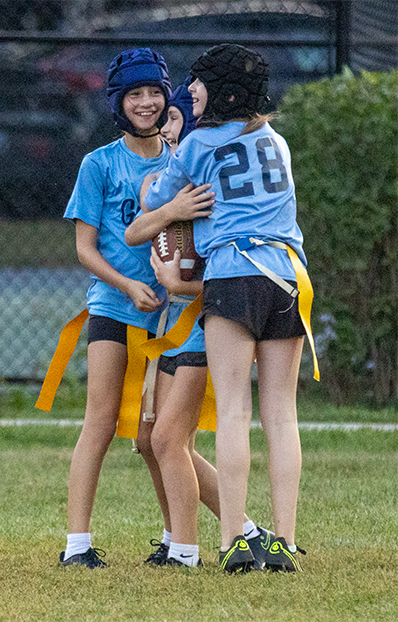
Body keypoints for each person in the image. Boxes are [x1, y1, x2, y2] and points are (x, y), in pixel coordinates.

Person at [144, 44, 316, 573]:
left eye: (196, 82)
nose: (187, 92)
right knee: (282, 414)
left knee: (236, 412)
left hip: (235, 274)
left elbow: (157, 202)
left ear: (220, 91)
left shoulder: (196, 144)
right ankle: (284, 542)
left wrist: (162, 186)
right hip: (287, 274)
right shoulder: (277, 141)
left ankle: (235, 542)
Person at [125, 80, 275, 569]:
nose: (165, 123)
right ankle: (246, 530)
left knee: (169, 439)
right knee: (154, 441)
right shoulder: (171, 185)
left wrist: (179, 282)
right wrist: (170, 210)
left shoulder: (208, 183)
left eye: (173, 118)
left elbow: (225, 281)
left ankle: (185, 549)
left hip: (203, 323)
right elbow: (134, 231)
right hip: (174, 324)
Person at [58, 48, 174, 569]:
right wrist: (129, 285)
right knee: (100, 421)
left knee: (162, 435)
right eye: (135, 94)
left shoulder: (182, 160)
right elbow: (85, 248)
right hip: (114, 308)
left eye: (153, 92)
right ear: (118, 103)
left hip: (173, 318)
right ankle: (76, 545)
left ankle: (178, 541)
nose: (146, 102)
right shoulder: (99, 163)